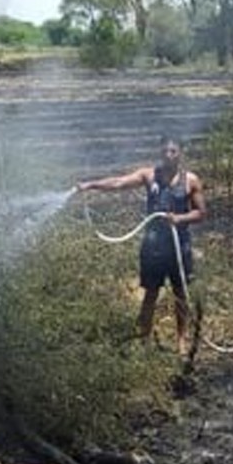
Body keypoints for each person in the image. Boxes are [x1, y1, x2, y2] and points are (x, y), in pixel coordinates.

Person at [77, 135, 205, 355]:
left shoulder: (191, 180)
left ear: (180, 153)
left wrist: (180, 219)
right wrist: (91, 185)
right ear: (160, 152)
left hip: (179, 245)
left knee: (181, 294)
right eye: (165, 151)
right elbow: (119, 182)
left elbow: (201, 213)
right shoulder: (149, 175)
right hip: (153, 246)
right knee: (150, 293)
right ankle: (144, 338)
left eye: (173, 151)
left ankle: (181, 340)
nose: (169, 155)